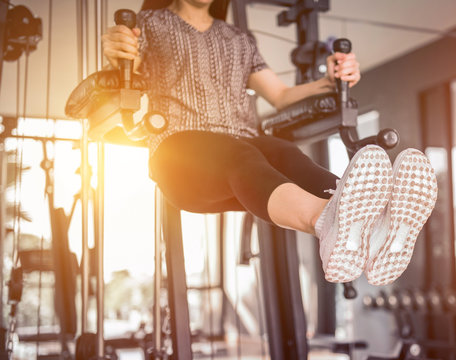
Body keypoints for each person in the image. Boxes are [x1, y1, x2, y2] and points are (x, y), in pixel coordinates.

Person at [102, 0, 437, 285]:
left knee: (285, 153)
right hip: (180, 154)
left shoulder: (238, 38)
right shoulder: (146, 25)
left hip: (244, 145)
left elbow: (280, 95)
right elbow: (122, 66)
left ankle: (375, 230)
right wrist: (117, 49)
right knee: (240, 153)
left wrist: (330, 78)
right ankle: (328, 222)